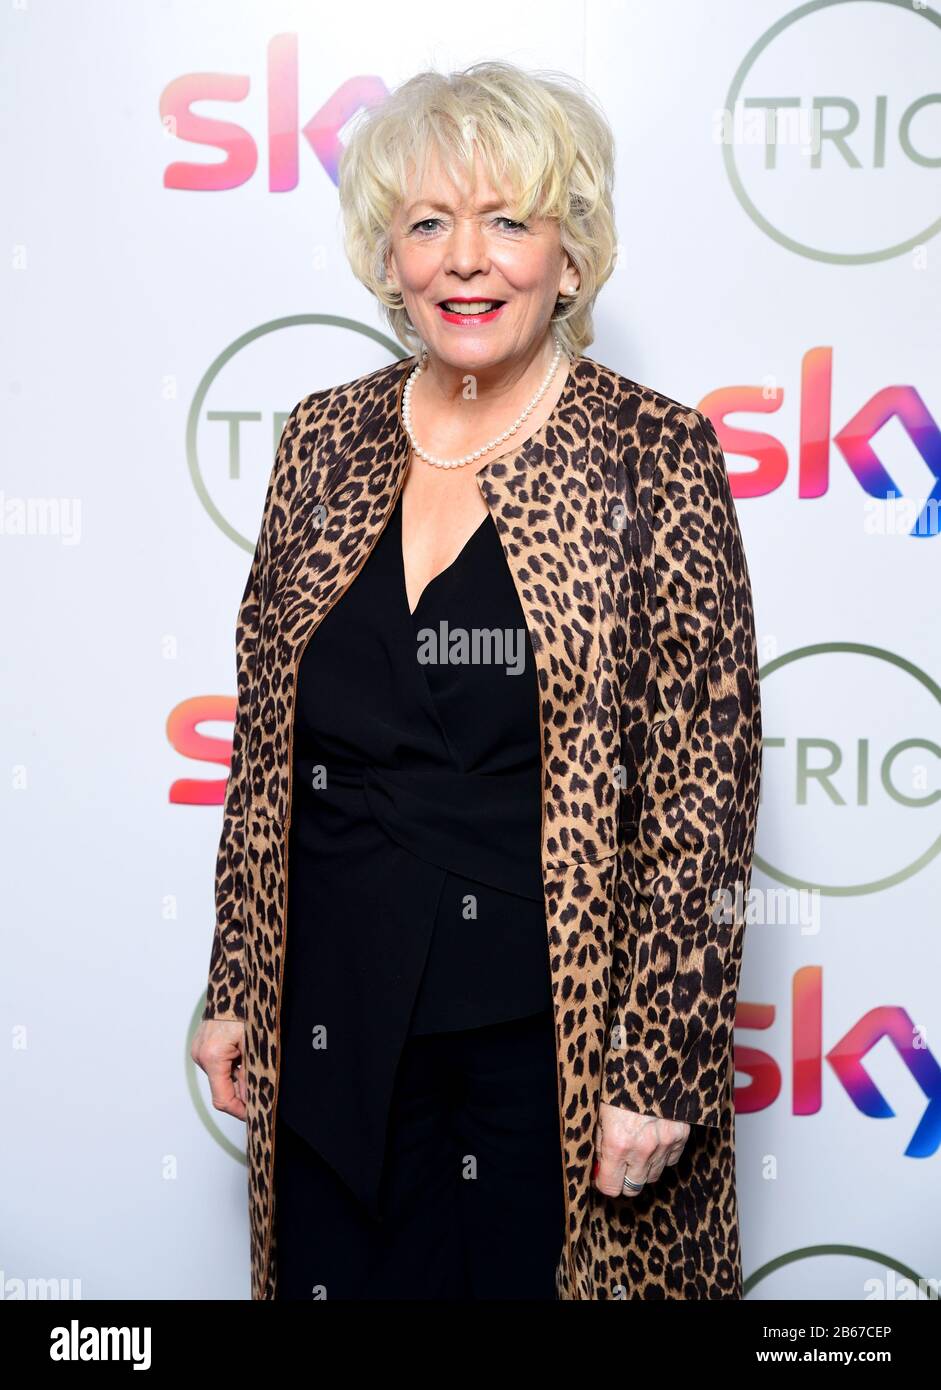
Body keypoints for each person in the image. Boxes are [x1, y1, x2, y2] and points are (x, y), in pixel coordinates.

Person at [191, 59, 763, 1301]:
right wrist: (238, 983)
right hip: (330, 1029)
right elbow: (264, 748)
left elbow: (700, 793)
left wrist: (656, 1067)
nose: (467, 259)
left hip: (538, 1055)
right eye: (428, 223)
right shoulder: (319, 438)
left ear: (569, 257)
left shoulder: (650, 452)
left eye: (509, 220)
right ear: (386, 257)